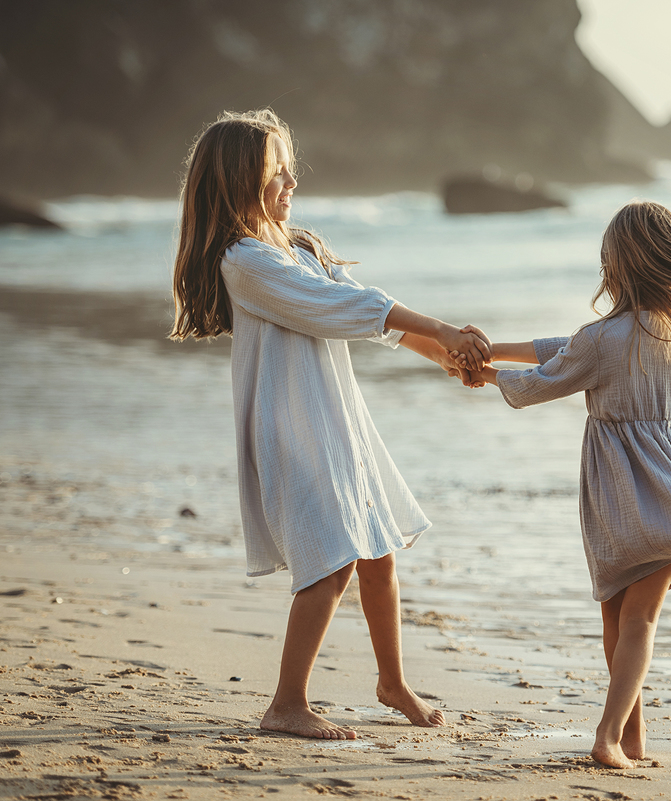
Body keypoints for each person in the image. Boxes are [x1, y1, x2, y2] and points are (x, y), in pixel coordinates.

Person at [169, 109, 488, 740]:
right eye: (275, 172)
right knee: (331, 562)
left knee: (377, 552)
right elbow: (338, 306)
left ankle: (392, 682)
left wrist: (446, 355)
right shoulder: (246, 261)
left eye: (290, 169)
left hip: (338, 424)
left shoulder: (303, 248)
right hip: (293, 430)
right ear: (238, 182)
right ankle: (287, 703)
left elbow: (374, 318)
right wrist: (446, 329)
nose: (290, 182)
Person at [469, 201, 671, 768]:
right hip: (670, 489)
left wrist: (488, 370)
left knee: (619, 619)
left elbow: (548, 377)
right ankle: (620, 739)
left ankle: (614, 736)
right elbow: (567, 350)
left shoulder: (602, 338)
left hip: (616, 494)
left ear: (616, 265)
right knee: (639, 620)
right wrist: (494, 351)